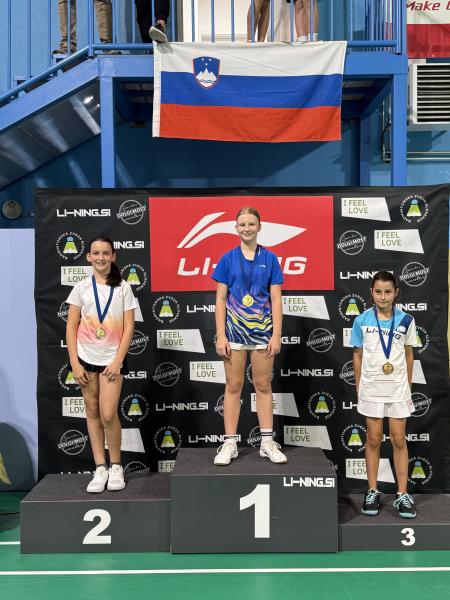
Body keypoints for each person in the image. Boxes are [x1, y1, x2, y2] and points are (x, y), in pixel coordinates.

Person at [212, 207, 287, 466]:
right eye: (242, 224)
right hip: (234, 332)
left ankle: (266, 443)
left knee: (263, 385)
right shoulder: (226, 259)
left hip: (262, 333)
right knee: (233, 386)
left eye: (251, 224)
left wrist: (276, 334)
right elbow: (220, 299)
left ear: (259, 227)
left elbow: (276, 299)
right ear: (236, 228)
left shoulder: (271, 258)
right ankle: (230, 443)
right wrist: (221, 335)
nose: (247, 228)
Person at [66, 236, 137, 493]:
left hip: (111, 360)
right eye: (96, 253)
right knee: (92, 412)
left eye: (106, 253)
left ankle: (116, 465)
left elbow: (129, 327)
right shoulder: (81, 288)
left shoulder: (124, 288)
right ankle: (100, 468)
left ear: (113, 256)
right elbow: (71, 326)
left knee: (108, 413)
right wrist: (75, 363)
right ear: (88, 257)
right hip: (86, 358)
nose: (100, 257)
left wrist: (118, 360)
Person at [351, 271, 420, 518]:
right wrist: (359, 386)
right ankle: (372, 491)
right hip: (371, 388)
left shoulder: (406, 320)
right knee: (373, 438)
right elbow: (357, 355)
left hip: (398, 389)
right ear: (372, 292)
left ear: (396, 293)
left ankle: (402, 494)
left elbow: (409, 354)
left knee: (399, 439)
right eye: (378, 291)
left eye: (388, 292)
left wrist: (407, 385)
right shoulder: (361, 320)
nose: (383, 297)